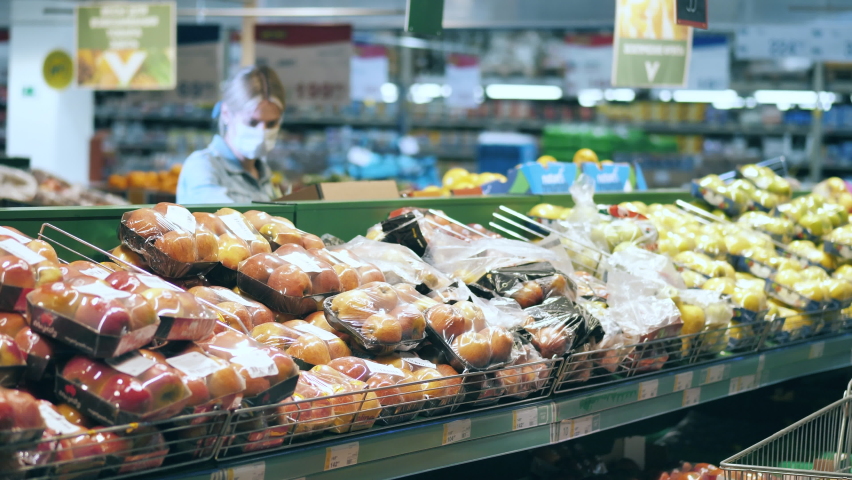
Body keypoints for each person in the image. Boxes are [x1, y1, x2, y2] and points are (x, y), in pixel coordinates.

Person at [177, 65, 284, 204]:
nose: (262, 132)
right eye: (252, 122)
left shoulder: (262, 173)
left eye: (271, 124)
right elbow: (221, 221)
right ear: (227, 114)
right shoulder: (202, 167)